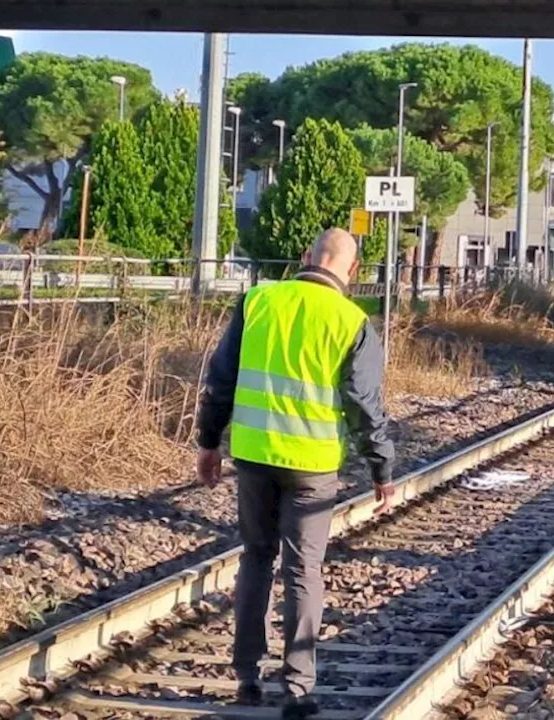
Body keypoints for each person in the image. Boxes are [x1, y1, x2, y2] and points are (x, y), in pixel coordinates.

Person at [196, 228, 395, 719]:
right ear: (352, 271)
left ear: (307, 256)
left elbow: (221, 378)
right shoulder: (353, 321)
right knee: (303, 569)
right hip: (312, 465)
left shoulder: (258, 301)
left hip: (254, 455)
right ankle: (298, 688)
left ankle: (247, 677)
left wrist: (207, 441)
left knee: (256, 559)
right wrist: (380, 468)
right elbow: (363, 404)